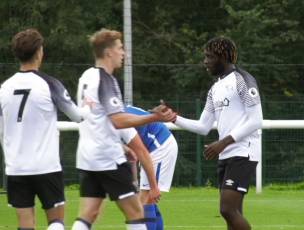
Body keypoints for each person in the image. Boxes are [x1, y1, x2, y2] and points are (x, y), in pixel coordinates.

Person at [71, 28, 175, 230]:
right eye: (120, 48)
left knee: (88, 214)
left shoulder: (86, 76)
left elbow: (97, 117)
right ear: (108, 52)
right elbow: (118, 120)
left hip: (87, 157)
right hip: (108, 158)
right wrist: (155, 116)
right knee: (137, 212)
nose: (123, 53)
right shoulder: (106, 80)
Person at [0, 28, 92, 230]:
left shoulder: (4, 88)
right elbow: (77, 116)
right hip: (46, 166)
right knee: (56, 222)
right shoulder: (49, 84)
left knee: (25, 225)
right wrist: (88, 106)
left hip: (16, 167)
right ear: (39, 52)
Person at [170, 37, 263, 230]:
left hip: (243, 152)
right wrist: (172, 118)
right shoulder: (215, 89)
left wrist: (223, 142)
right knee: (233, 214)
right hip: (227, 153)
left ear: (223, 57)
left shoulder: (242, 80)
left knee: (227, 209)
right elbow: (203, 126)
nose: (205, 61)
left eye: (209, 57)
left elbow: (256, 120)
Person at [121, 105, 178, 230]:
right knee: (147, 201)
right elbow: (133, 156)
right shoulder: (117, 112)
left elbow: (140, 153)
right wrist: (135, 182)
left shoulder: (122, 120)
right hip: (153, 149)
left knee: (145, 201)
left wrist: (154, 187)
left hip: (160, 147)